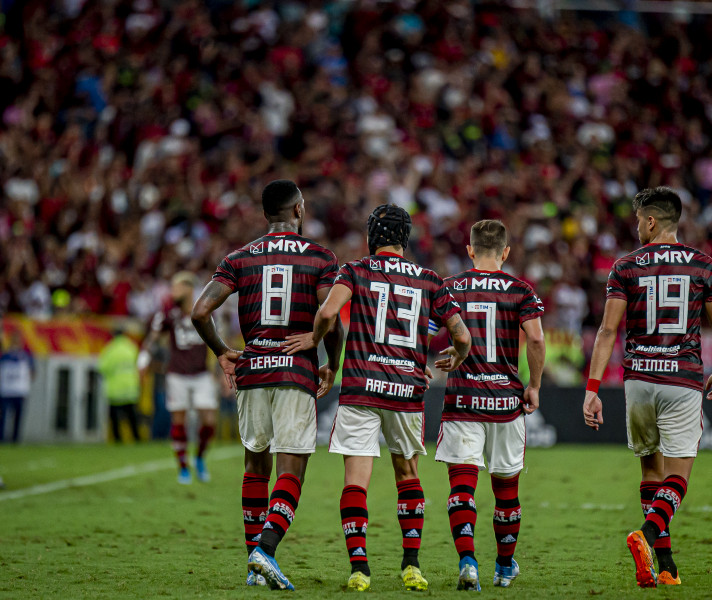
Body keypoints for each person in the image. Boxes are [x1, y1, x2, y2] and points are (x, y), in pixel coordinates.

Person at [284, 204, 471, 592]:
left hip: (361, 387)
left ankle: (359, 569)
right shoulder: (431, 280)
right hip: (406, 390)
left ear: (372, 238)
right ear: (406, 240)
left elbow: (328, 311)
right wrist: (457, 354)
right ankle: (412, 564)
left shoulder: (354, 270)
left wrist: (317, 343)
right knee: (408, 474)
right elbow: (463, 336)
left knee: (357, 479)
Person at [191, 179, 344, 590]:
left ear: (265, 215)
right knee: (291, 468)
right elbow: (331, 315)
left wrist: (223, 351)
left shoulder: (241, 257)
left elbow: (201, 311)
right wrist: (330, 361)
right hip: (295, 372)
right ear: (298, 209)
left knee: (255, 465)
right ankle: (267, 551)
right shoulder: (320, 257)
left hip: (253, 370)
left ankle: (252, 566)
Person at [582, 187, 712, 588]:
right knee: (679, 475)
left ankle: (665, 566)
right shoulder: (704, 266)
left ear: (650, 221)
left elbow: (607, 330)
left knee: (651, 468)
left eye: (637, 220)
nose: (636, 227)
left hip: (639, 381)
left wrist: (592, 388)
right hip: (682, 379)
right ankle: (647, 536)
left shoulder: (625, 266)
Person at [434, 220, 546, 590]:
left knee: (461, 486)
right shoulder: (520, 290)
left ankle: (467, 560)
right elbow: (536, 340)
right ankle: (503, 566)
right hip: (505, 402)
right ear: (506, 252)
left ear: (469, 250)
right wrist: (534, 385)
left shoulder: (449, 287)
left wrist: (421, 364)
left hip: (463, 400)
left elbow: (423, 330)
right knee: (506, 491)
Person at [139, 271, 219, 484]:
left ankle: (200, 457)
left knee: (210, 421)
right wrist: (143, 360)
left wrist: (220, 371)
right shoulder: (168, 314)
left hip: (201, 373)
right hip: (177, 374)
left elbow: (218, 343)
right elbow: (153, 338)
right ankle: (183, 466)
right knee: (179, 420)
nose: (172, 292)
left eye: (177, 287)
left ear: (188, 288)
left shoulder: (206, 312)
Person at [97, 329, 143, 443]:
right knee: (132, 415)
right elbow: (139, 364)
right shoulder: (131, 347)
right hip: (130, 387)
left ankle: (118, 439)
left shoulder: (110, 349)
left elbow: (102, 368)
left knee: (115, 416)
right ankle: (136, 438)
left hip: (115, 389)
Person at [0, 332, 34, 443]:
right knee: (4, 416)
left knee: (18, 417)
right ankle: (2, 438)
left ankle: (15, 439)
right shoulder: (5, 356)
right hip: (6, 391)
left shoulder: (26, 356)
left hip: (19, 391)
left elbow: (32, 372)